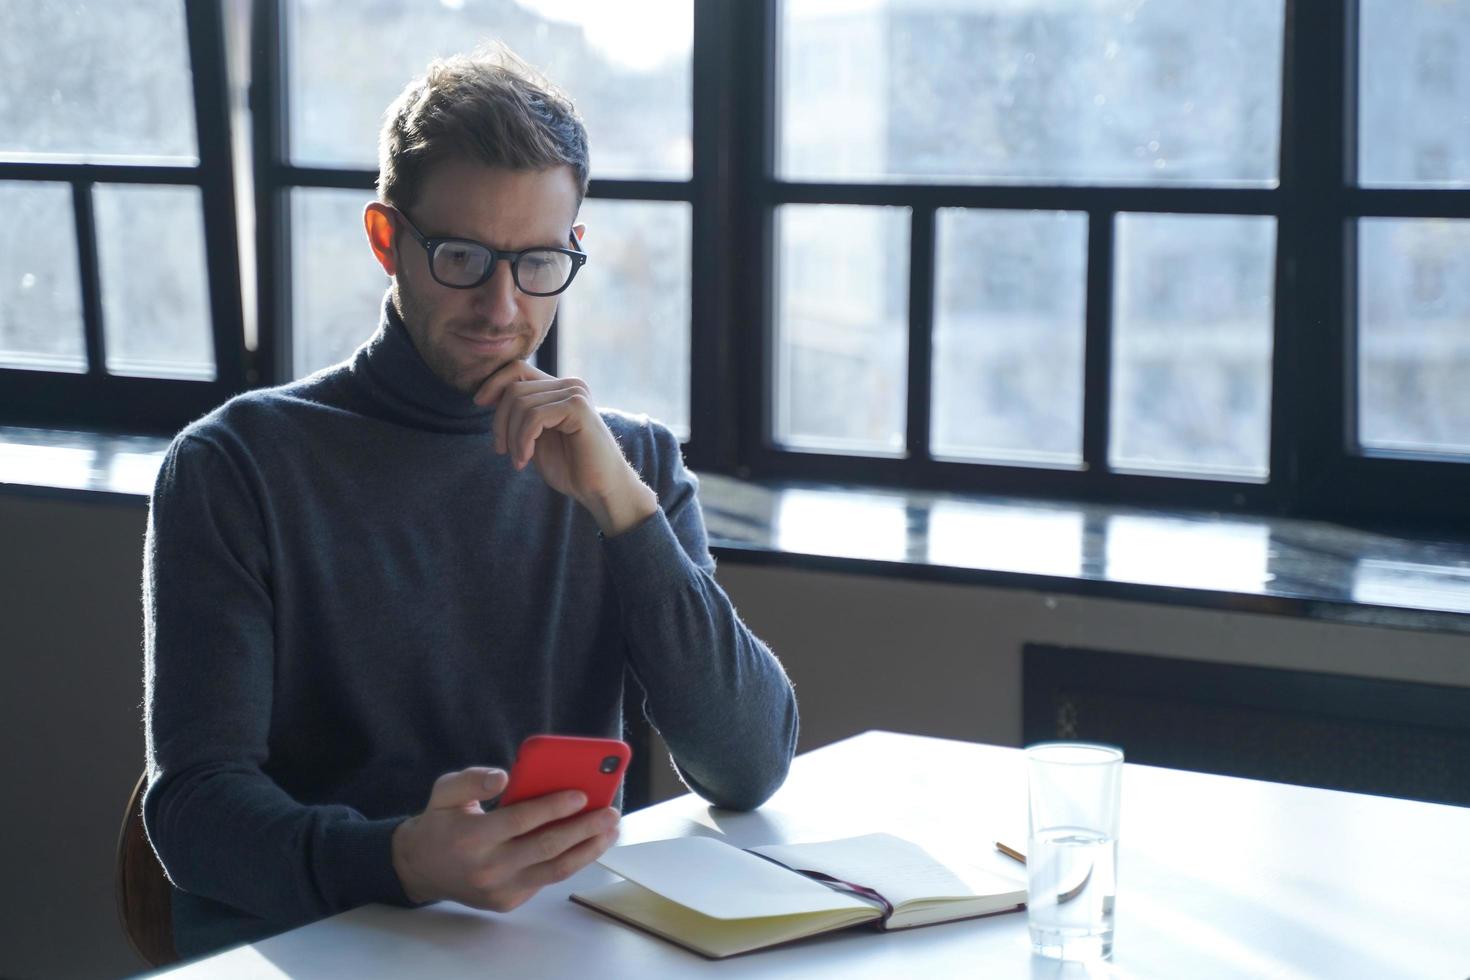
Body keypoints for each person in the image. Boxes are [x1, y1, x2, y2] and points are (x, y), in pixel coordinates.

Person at [142, 46, 799, 957]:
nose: (501, 306)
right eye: (461, 257)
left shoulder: (628, 460)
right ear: (387, 242)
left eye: (536, 263)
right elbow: (193, 810)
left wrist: (626, 511)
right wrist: (400, 859)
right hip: (320, 946)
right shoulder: (237, 464)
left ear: (572, 249)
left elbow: (749, 764)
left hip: (558, 948)